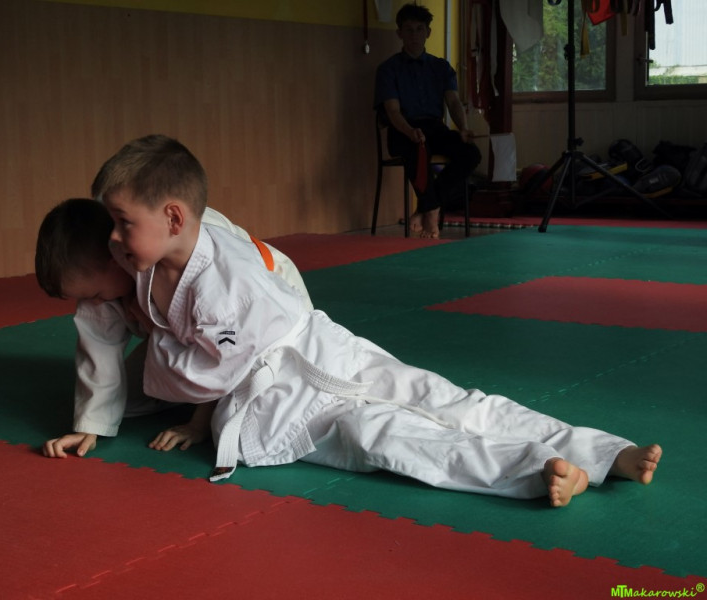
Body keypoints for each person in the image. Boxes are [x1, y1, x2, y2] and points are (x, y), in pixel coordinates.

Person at [94, 133, 661, 508]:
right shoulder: (151, 260)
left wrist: (185, 398)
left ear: (174, 218)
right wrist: (195, 417)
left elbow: (206, 371)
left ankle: (604, 452)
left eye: (122, 223)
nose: (114, 238)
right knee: (394, 438)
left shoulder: (226, 275)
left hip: (326, 356)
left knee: (452, 401)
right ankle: (538, 470)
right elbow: (204, 367)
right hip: (289, 409)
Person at [34, 197, 313, 459]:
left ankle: (214, 401)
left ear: (115, 259)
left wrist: (198, 425)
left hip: (265, 315)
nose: (94, 303)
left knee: (253, 426)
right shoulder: (109, 274)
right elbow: (99, 350)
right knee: (124, 402)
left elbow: (225, 347)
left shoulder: (181, 255)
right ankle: (197, 391)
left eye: (95, 294)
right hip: (196, 336)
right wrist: (90, 427)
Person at [374, 3, 481, 239]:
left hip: (435, 127)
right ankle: (432, 215)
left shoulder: (440, 67)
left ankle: (426, 207)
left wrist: (463, 128)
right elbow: (392, 111)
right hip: (403, 129)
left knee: (470, 153)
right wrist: (410, 131)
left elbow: (453, 102)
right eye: (409, 30)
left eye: (420, 29)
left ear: (428, 32)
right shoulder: (388, 69)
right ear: (399, 33)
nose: (414, 35)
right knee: (418, 149)